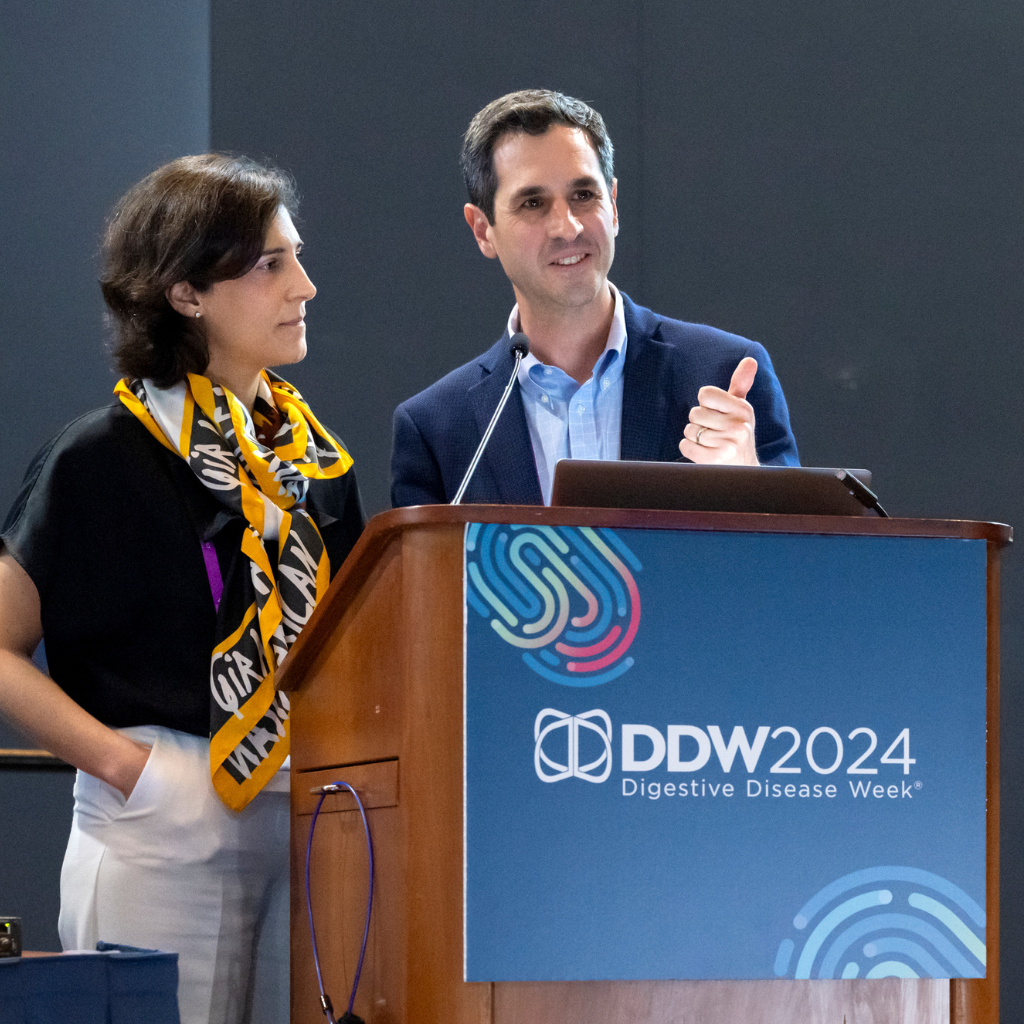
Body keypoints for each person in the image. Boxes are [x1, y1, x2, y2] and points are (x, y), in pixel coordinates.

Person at [0, 155, 364, 1024]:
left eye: (298, 257)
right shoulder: (100, 455)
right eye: (271, 264)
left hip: (305, 810)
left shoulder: (320, 467)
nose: (306, 286)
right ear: (185, 292)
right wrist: (131, 770)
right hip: (160, 812)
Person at [391, 90, 799, 507]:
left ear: (614, 207)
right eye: (533, 203)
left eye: (584, 195)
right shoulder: (436, 429)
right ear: (482, 230)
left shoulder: (724, 378)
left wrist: (748, 479)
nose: (567, 228)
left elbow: (800, 564)